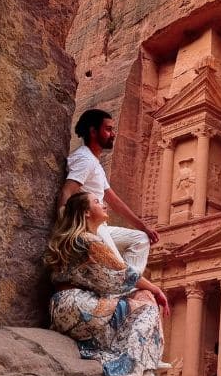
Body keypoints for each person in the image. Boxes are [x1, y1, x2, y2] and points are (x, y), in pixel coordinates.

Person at [44, 192, 170, 376]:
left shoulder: (75, 239)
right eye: (97, 202)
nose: (103, 205)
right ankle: (135, 364)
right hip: (80, 308)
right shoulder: (89, 241)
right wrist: (156, 290)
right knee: (147, 307)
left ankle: (142, 361)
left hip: (62, 308)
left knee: (135, 301)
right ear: (86, 213)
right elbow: (124, 274)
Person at [58, 108, 159, 272]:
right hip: (88, 226)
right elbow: (66, 191)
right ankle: (123, 284)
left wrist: (143, 227)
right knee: (118, 266)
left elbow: (114, 201)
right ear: (93, 131)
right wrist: (64, 230)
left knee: (140, 239)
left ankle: (125, 285)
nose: (113, 134)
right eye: (108, 129)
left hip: (100, 225)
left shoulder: (94, 162)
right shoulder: (85, 160)